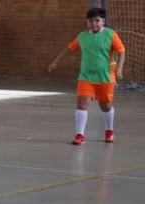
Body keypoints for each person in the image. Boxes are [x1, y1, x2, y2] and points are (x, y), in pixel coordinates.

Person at [48, 7, 125, 145]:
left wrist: (119, 69)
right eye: (91, 21)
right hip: (86, 76)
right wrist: (55, 62)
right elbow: (69, 48)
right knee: (82, 103)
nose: (94, 23)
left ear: (103, 22)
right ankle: (79, 135)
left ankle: (109, 131)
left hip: (105, 77)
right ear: (87, 22)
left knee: (105, 107)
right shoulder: (82, 36)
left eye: (97, 21)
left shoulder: (110, 35)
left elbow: (122, 51)